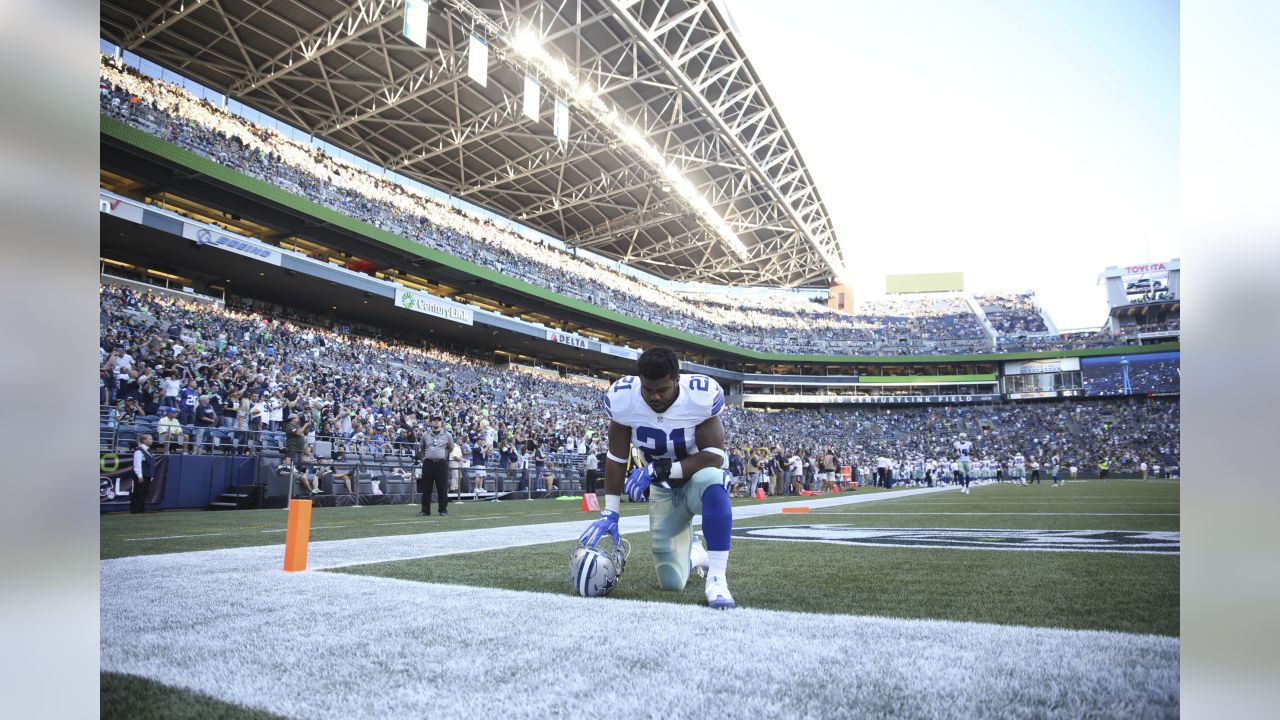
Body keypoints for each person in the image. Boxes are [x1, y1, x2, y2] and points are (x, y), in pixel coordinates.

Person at [579, 346, 736, 609]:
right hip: (663, 491)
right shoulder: (624, 399)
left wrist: (658, 469)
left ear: (677, 379)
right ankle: (696, 552)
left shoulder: (699, 396)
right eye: (647, 389)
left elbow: (713, 456)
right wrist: (611, 512)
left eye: (662, 390)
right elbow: (617, 458)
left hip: (695, 480)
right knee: (672, 582)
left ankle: (717, 578)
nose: (654, 396)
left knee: (713, 478)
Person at [418, 415, 453, 516]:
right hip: (428, 463)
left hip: (441, 463)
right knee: (426, 487)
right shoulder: (425, 435)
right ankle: (425, 510)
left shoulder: (447, 435)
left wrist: (442, 455)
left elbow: (451, 448)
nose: (436, 422)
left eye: (438, 420)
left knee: (442, 487)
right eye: (434, 420)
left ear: (441, 422)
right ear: (431, 422)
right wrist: (425, 457)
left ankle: (443, 510)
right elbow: (422, 448)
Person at [130, 433, 155, 514]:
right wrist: (139, 476)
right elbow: (137, 464)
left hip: (147, 475)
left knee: (145, 492)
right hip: (141, 475)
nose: (151, 440)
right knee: (138, 492)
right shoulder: (139, 450)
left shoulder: (148, 450)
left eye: (151, 439)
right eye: (150, 439)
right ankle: (134, 510)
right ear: (144, 440)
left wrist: (151, 476)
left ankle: (141, 509)